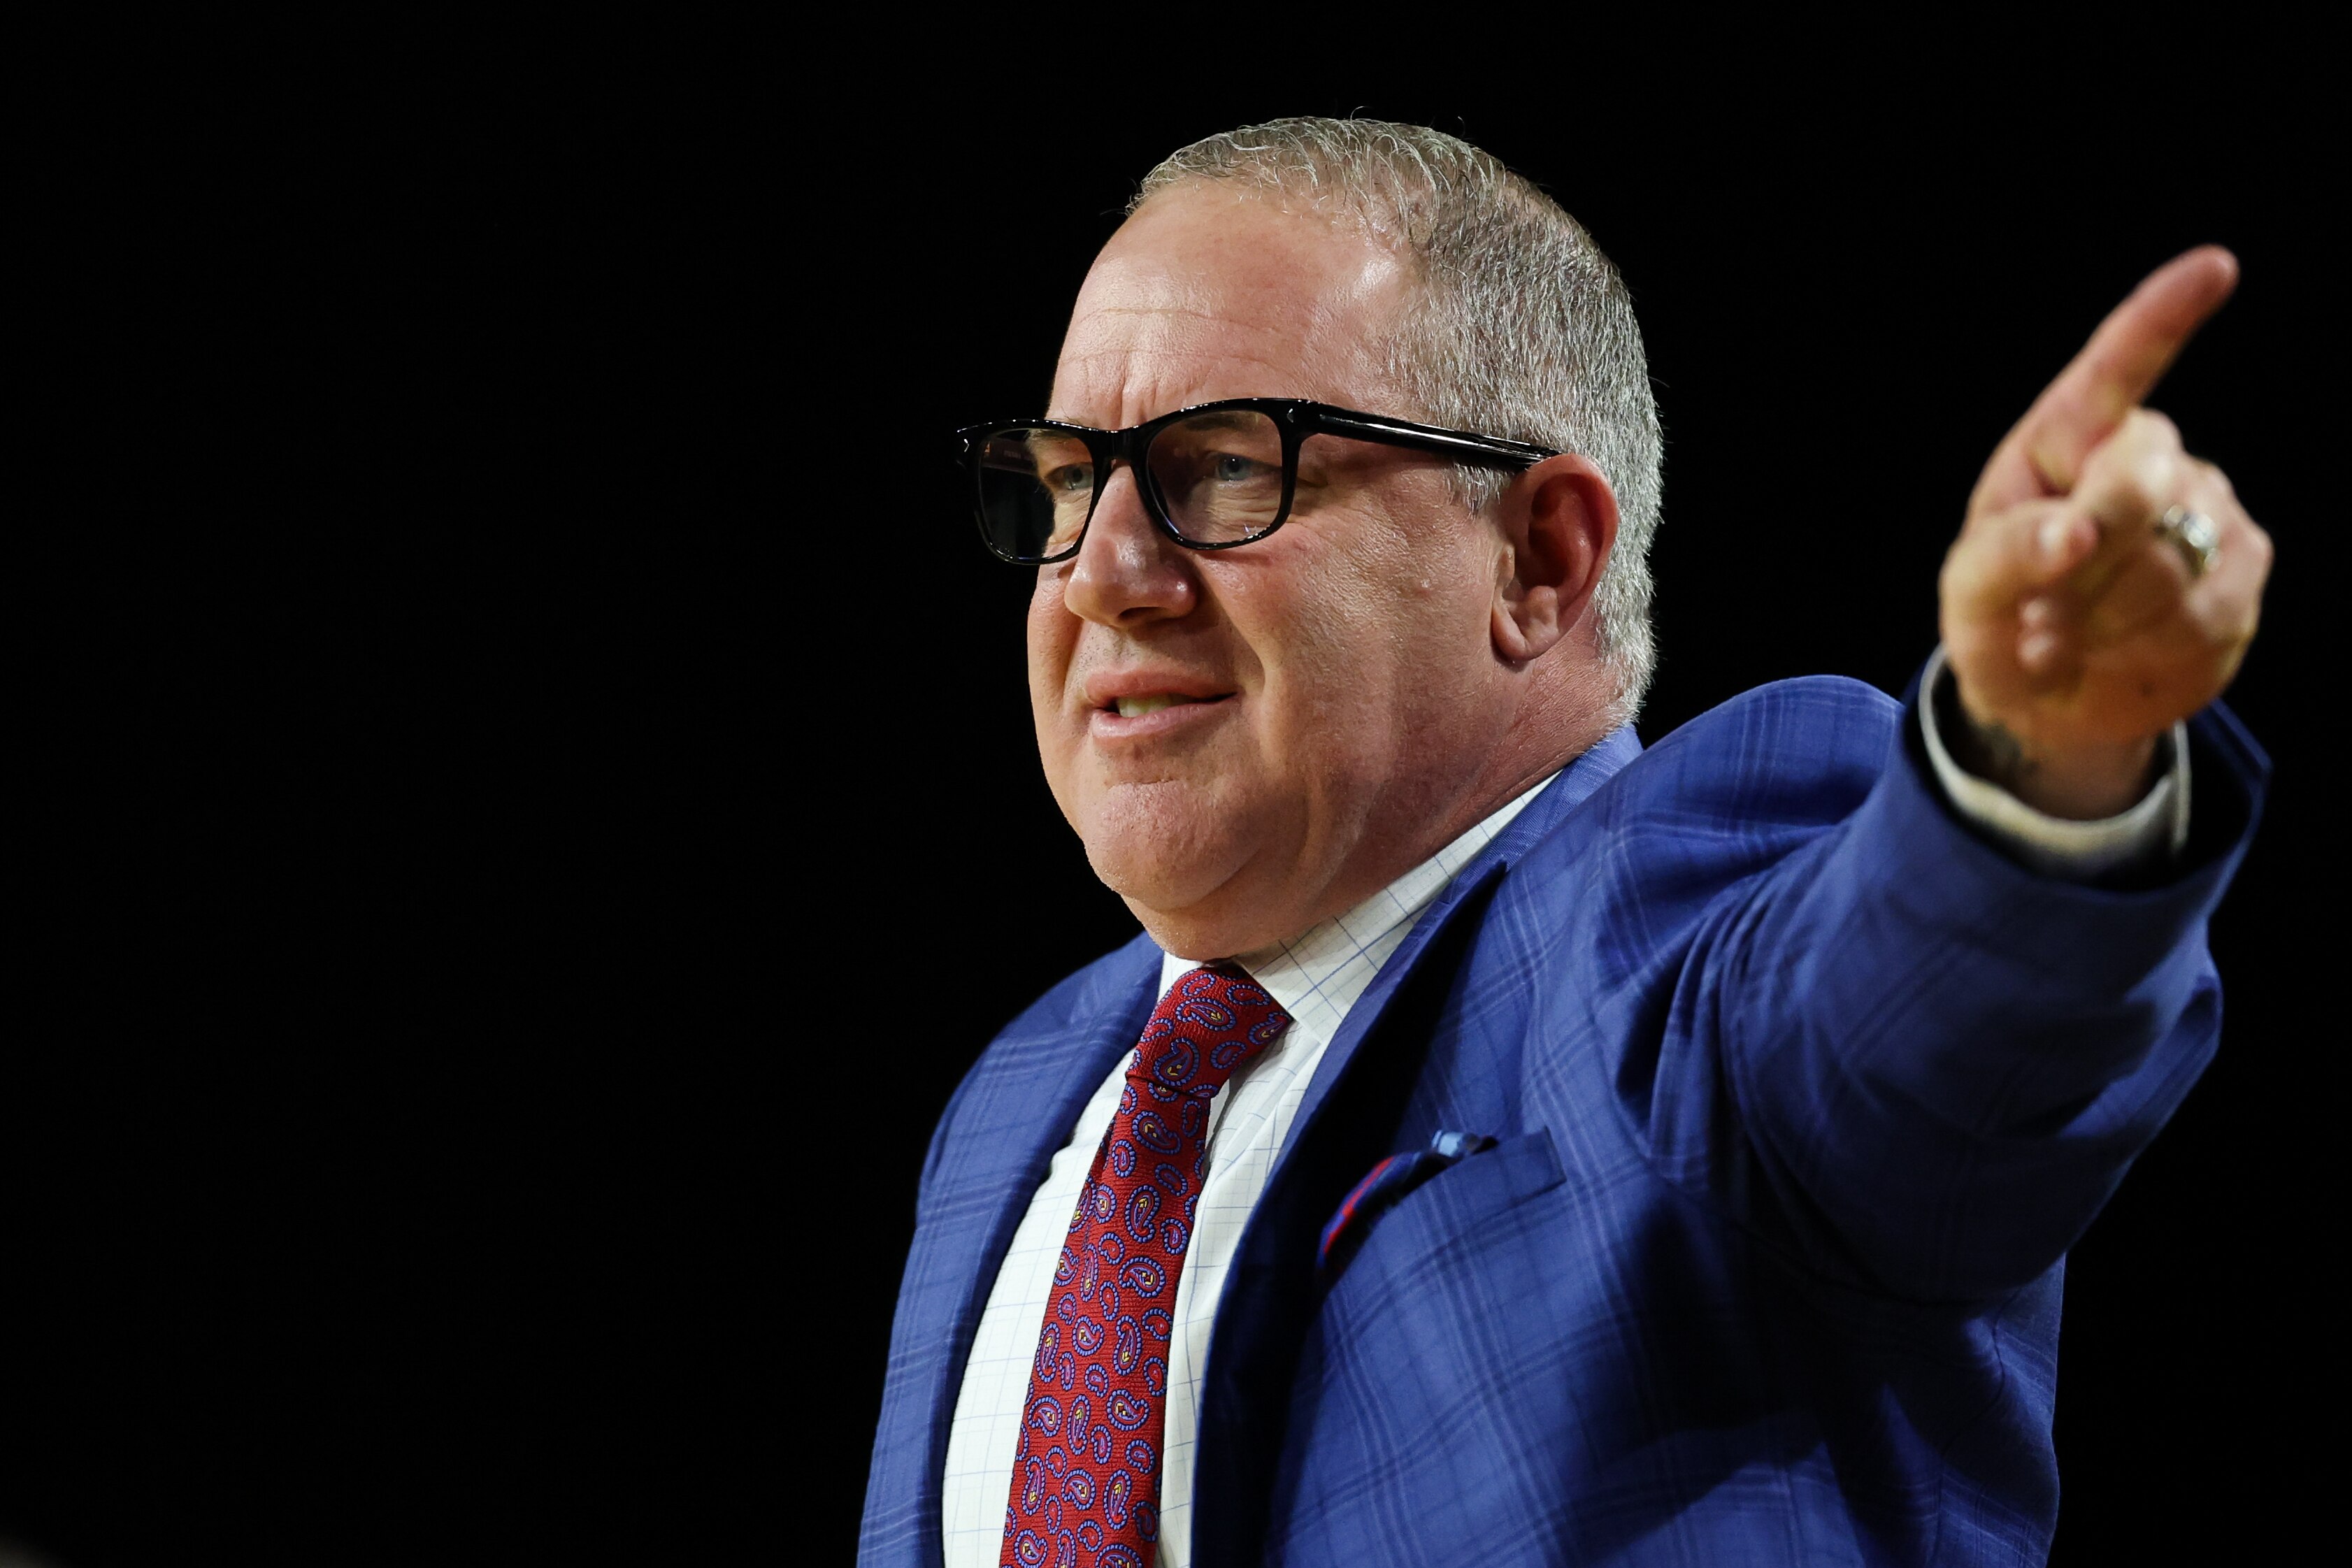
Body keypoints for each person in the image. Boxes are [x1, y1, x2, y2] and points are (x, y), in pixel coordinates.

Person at [859, 119, 2270, 1567]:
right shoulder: (1016, 1099)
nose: (1101, 574)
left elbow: (1910, 1017)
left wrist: (2042, 754)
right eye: (1067, 482)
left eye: (1221, 467)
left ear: (1538, 559)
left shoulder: (1676, 915)